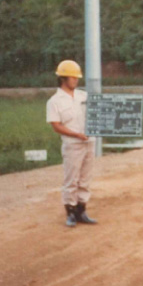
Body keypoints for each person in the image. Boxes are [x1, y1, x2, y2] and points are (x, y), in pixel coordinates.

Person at [46, 60, 97, 227]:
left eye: (77, 77)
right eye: (73, 77)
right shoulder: (55, 101)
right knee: (71, 179)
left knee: (85, 178)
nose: (76, 80)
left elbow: (99, 111)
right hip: (73, 145)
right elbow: (56, 125)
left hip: (89, 142)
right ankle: (71, 212)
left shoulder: (83, 96)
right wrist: (76, 134)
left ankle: (82, 210)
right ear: (63, 79)